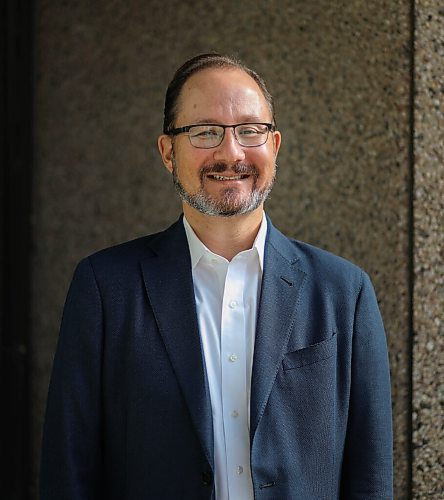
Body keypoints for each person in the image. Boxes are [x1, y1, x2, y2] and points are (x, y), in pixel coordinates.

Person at [41, 53, 393, 499]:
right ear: (169, 152)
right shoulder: (105, 288)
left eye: (250, 130)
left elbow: (371, 476)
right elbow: (68, 470)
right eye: (205, 132)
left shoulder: (344, 291)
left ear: (275, 145)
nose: (231, 153)